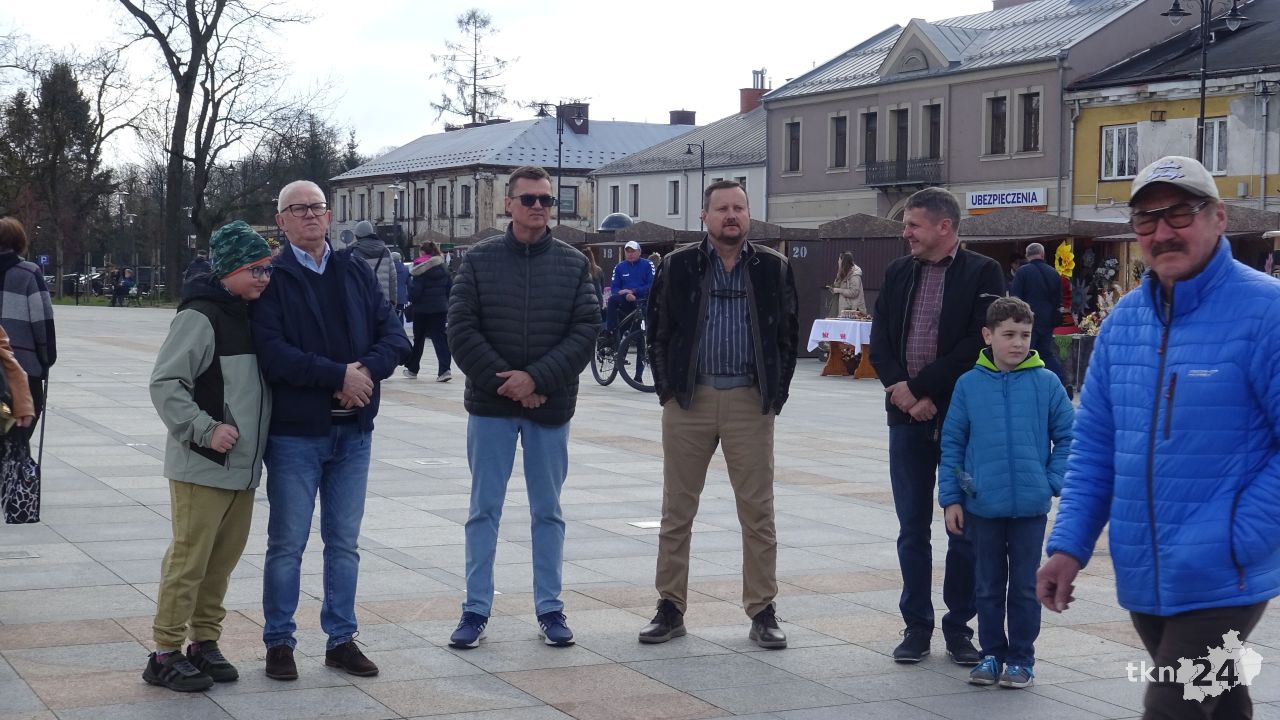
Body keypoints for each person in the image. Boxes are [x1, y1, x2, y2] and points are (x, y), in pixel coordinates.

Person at [1038, 156, 1280, 719]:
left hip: (1223, 575)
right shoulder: (1124, 323)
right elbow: (1095, 447)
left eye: (1179, 213)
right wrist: (1068, 547)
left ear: (1218, 218)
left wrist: (1236, 537)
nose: (1162, 231)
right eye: (1146, 219)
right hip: (1145, 571)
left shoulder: (1266, 312)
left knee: (1172, 706)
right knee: (1219, 703)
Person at [251, 180, 409, 681]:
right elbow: (273, 353)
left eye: (317, 207)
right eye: (298, 209)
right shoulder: (272, 277)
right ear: (281, 221)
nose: (310, 216)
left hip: (354, 432)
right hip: (296, 435)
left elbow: (394, 336)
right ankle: (279, 641)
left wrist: (363, 372)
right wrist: (337, 377)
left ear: (330, 216)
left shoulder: (353, 269)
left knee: (344, 543)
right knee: (287, 543)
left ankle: (341, 639)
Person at [638, 180, 799, 649]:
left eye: (739, 208)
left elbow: (787, 336)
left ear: (749, 215)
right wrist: (668, 391)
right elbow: (658, 331)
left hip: (749, 400)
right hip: (690, 401)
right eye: (722, 208)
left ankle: (763, 609)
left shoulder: (773, 267)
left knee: (758, 512)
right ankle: (670, 607)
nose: (732, 215)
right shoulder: (678, 265)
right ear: (704, 216)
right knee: (677, 510)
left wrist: (775, 395)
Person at [445, 165, 598, 649]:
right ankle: (475, 608)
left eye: (546, 200)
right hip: (492, 406)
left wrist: (536, 380)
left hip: (550, 405)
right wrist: (512, 385)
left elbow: (585, 331)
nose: (538, 207)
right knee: (483, 509)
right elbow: (460, 330)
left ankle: (550, 608)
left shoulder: (573, 264)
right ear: (507, 203)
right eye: (528, 199)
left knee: (547, 511)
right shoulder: (478, 260)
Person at [869, 186, 1005, 665]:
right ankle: (916, 626)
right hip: (904, 419)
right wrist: (901, 391)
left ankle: (958, 627)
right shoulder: (898, 271)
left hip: (959, 420)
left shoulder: (984, 272)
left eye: (913, 225)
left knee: (962, 528)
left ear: (944, 227)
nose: (905, 233)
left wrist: (921, 389)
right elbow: (880, 339)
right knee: (911, 528)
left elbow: (977, 343)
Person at [143, 221, 274, 693]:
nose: (264, 277)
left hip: (242, 469)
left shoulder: (250, 315)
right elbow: (165, 383)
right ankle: (164, 652)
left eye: (268, 269)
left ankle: (204, 641)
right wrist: (206, 429)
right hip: (203, 466)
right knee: (189, 560)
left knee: (220, 563)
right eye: (255, 269)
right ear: (229, 270)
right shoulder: (200, 315)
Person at [938, 296, 1073, 690]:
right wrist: (954, 496)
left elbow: (1070, 437)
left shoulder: (1047, 383)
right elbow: (953, 444)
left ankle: (1021, 659)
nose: (1018, 343)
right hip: (983, 506)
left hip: (1030, 508)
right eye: (1009, 334)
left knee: (1026, 587)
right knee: (987, 585)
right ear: (988, 335)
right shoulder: (968, 385)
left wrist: (1050, 481)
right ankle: (992, 654)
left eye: (1025, 335)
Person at [0, 217, 56, 448]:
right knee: (17, 442)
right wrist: (46, 359)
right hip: (23, 370)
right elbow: (43, 322)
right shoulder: (29, 273)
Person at [1010, 243, 1065, 383]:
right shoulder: (1054, 273)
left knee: (1025, 353)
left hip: (1027, 320)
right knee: (1046, 353)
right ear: (1043, 254)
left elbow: (1015, 298)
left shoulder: (1022, 272)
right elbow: (1059, 299)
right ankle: (1061, 380)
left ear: (1027, 255)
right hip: (1048, 320)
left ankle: (1025, 382)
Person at [403, 241, 453, 382]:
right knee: (440, 339)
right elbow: (450, 288)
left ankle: (413, 369)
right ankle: (445, 370)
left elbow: (415, 293)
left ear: (423, 252)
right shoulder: (443, 267)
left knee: (418, 340)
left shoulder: (420, 268)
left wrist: (410, 290)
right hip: (440, 309)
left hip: (422, 310)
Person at [605, 240, 653, 335]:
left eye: (633, 251)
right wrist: (626, 294)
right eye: (628, 251)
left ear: (639, 252)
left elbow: (652, 284)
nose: (630, 254)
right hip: (625, 299)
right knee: (612, 300)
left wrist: (634, 291)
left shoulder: (648, 264)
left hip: (643, 299)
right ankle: (610, 332)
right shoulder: (619, 267)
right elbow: (614, 287)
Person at [348, 220, 397, 310]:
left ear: (357, 235)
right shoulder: (385, 251)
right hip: (383, 303)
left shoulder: (353, 253)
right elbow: (392, 278)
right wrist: (393, 302)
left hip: (362, 303)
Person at [828, 251, 867, 316]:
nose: (838, 262)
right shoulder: (843, 272)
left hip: (853, 310)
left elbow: (854, 292)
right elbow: (837, 285)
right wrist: (838, 275)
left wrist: (838, 290)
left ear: (843, 262)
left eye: (839, 260)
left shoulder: (855, 275)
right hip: (844, 309)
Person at [391, 250, 410, 322]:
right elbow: (409, 284)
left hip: (390, 297)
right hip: (401, 297)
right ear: (400, 259)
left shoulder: (389, 269)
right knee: (400, 317)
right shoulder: (405, 269)